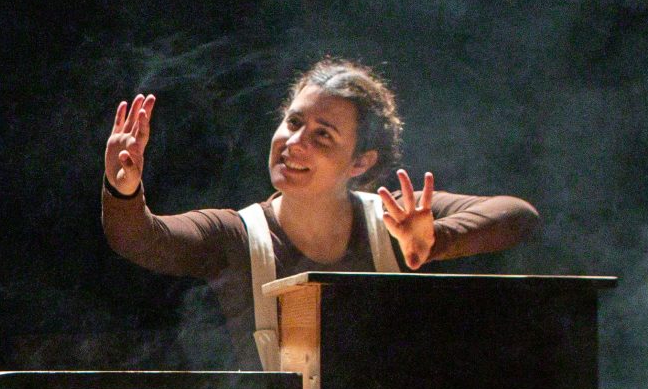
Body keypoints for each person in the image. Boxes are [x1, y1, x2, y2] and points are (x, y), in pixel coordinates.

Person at [99, 60, 540, 367]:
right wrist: (124, 189)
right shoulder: (236, 236)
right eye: (293, 123)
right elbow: (139, 239)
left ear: (360, 162)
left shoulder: (395, 219)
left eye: (322, 135)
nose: (294, 143)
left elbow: (518, 216)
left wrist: (436, 240)